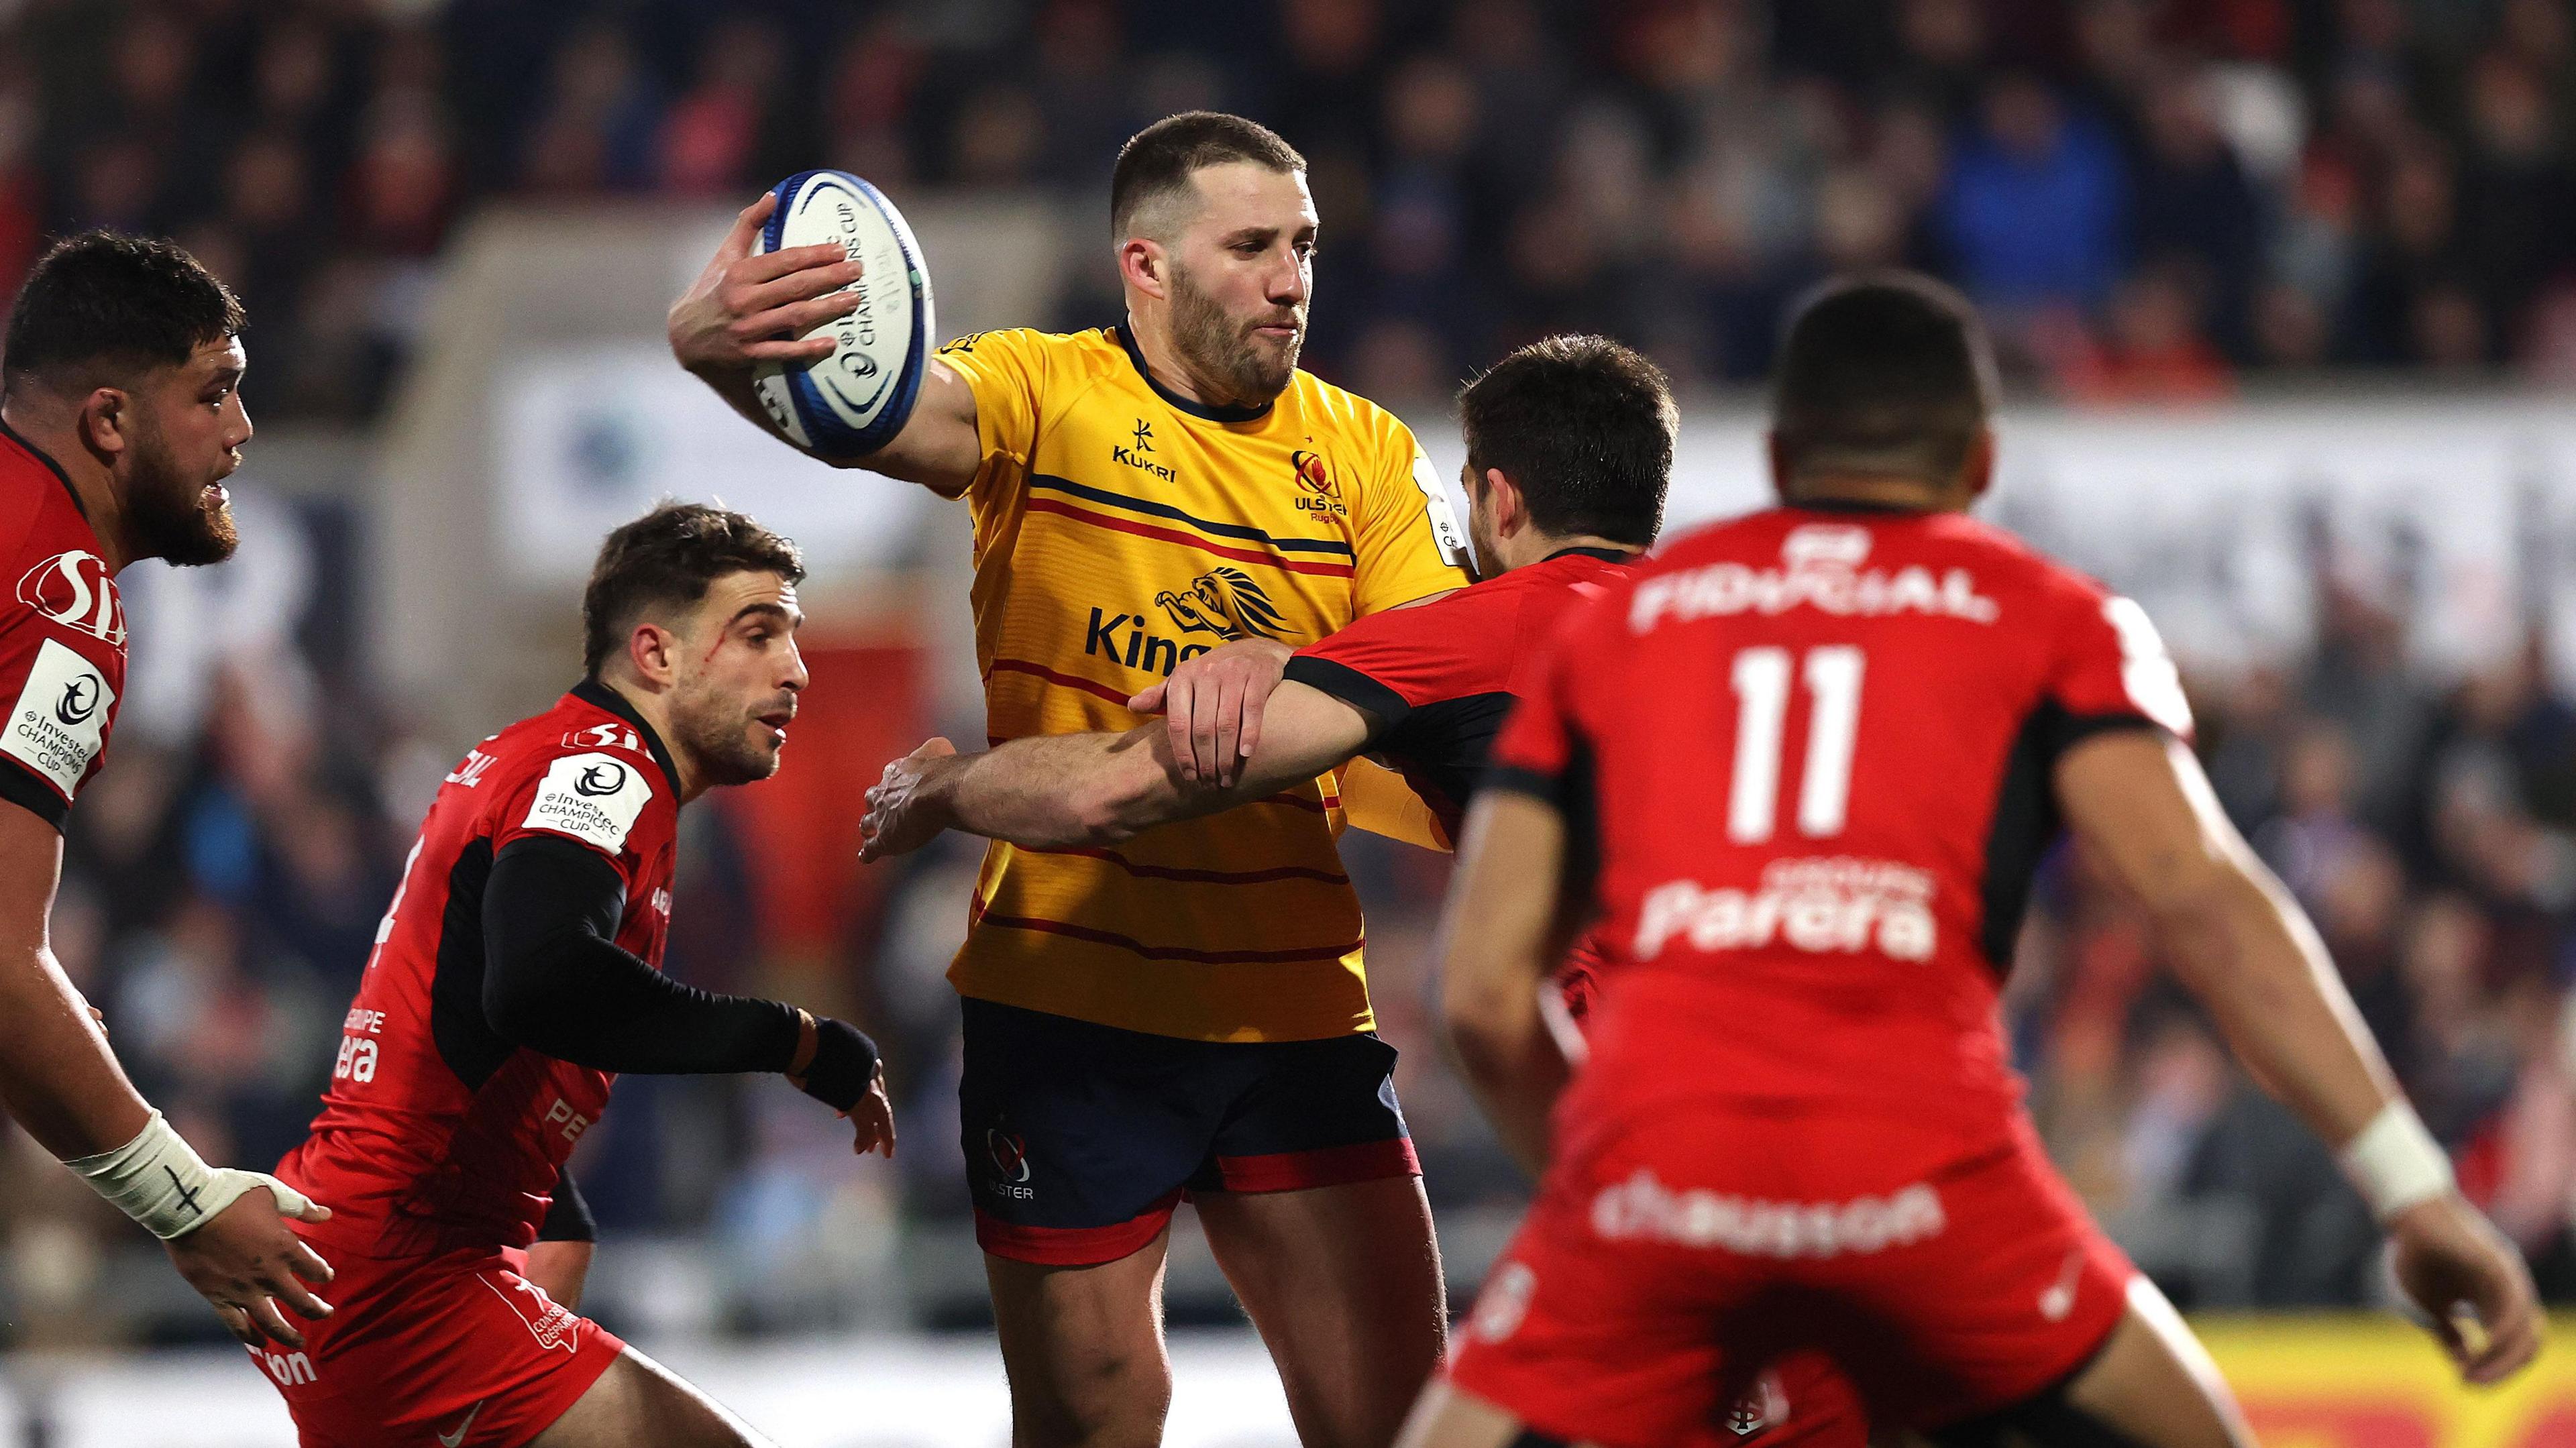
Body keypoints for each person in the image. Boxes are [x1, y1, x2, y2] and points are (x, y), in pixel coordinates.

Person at [1404, 274, 2545, 1448]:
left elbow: (1484, 995)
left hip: (1658, 1161)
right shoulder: (2053, 620)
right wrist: (2417, 1192)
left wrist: (1612, 1187)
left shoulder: (1610, 629)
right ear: (1983, 463)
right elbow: (2206, 903)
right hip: (1924, 1171)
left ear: (1786, 454)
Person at [856, 332, 1864, 1447]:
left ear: (1498, 498)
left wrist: (950, 787)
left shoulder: (1478, 638)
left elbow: (1128, 790)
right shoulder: (1773, 635)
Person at [671, 112, 1472, 1447]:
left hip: (1294, 1012)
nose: (1294, 279)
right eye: (1254, 247)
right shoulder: (1042, 393)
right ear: (1145, 267)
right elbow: (880, 414)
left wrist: (1282, 661)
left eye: (1307, 247)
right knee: (1097, 1421)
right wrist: (722, 356)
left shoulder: (1372, 457)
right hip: (1070, 1009)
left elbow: (1418, 688)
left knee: (1397, 1425)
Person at [258, 503, 896, 1448]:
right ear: (656, 655)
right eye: (759, 634)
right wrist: (796, 1042)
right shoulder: (605, 773)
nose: (796, 670)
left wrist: (551, 1203)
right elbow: (542, 980)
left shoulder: (546, 759)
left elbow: (465, 1004)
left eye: (792, 639)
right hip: (405, 1269)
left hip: (388, 1245)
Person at [0, 230, 337, 1349]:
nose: (243, 434)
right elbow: (0, 961)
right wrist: (181, 1198)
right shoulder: (61, 600)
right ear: (110, 420)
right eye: (217, 393)